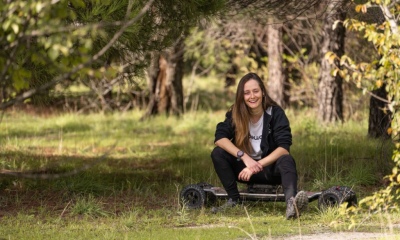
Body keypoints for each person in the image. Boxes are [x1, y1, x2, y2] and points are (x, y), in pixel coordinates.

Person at [210, 72, 308, 219]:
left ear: (262, 92)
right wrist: (244, 157)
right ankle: (234, 200)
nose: (252, 96)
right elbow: (220, 138)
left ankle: (292, 204)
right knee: (218, 153)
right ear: (241, 96)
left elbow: (283, 148)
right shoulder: (236, 114)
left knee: (286, 159)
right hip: (244, 172)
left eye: (255, 91)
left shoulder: (275, 113)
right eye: (247, 93)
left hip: (269, 171)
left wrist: (256, 165)